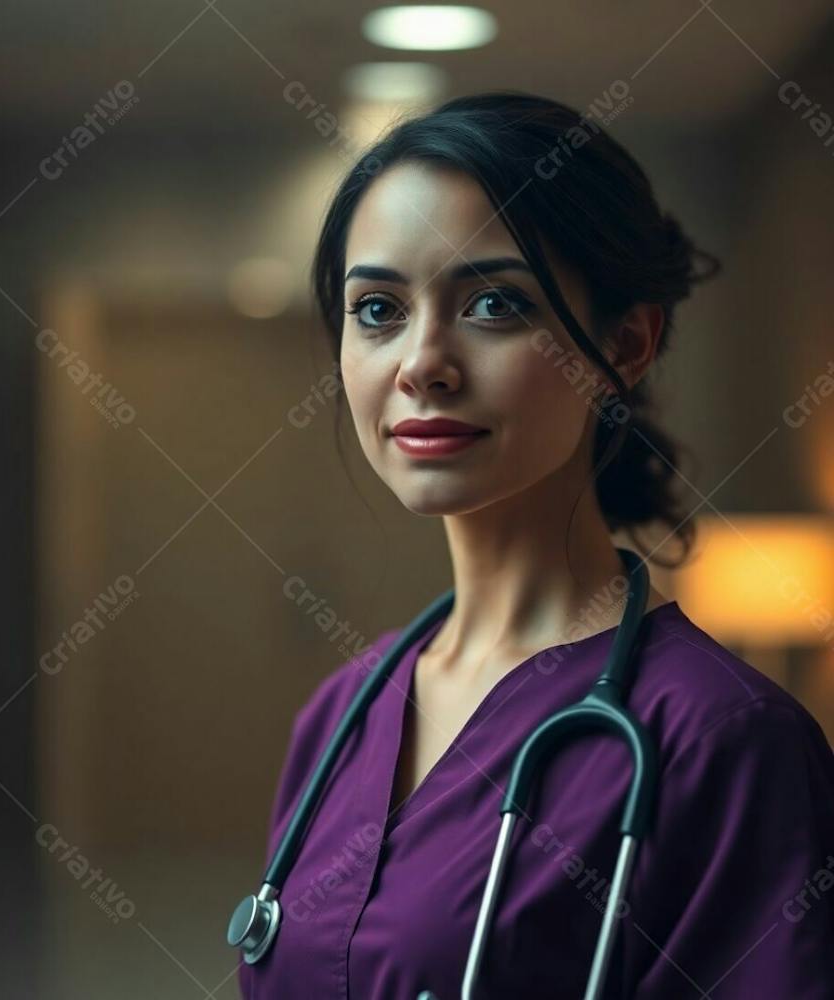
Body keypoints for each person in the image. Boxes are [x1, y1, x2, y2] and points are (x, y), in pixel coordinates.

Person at [237, 91, 834, 999]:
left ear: (624, 345)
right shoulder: (341, 715)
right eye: (377, 310)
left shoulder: (721, 741)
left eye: (492, 303)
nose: (421, 362)